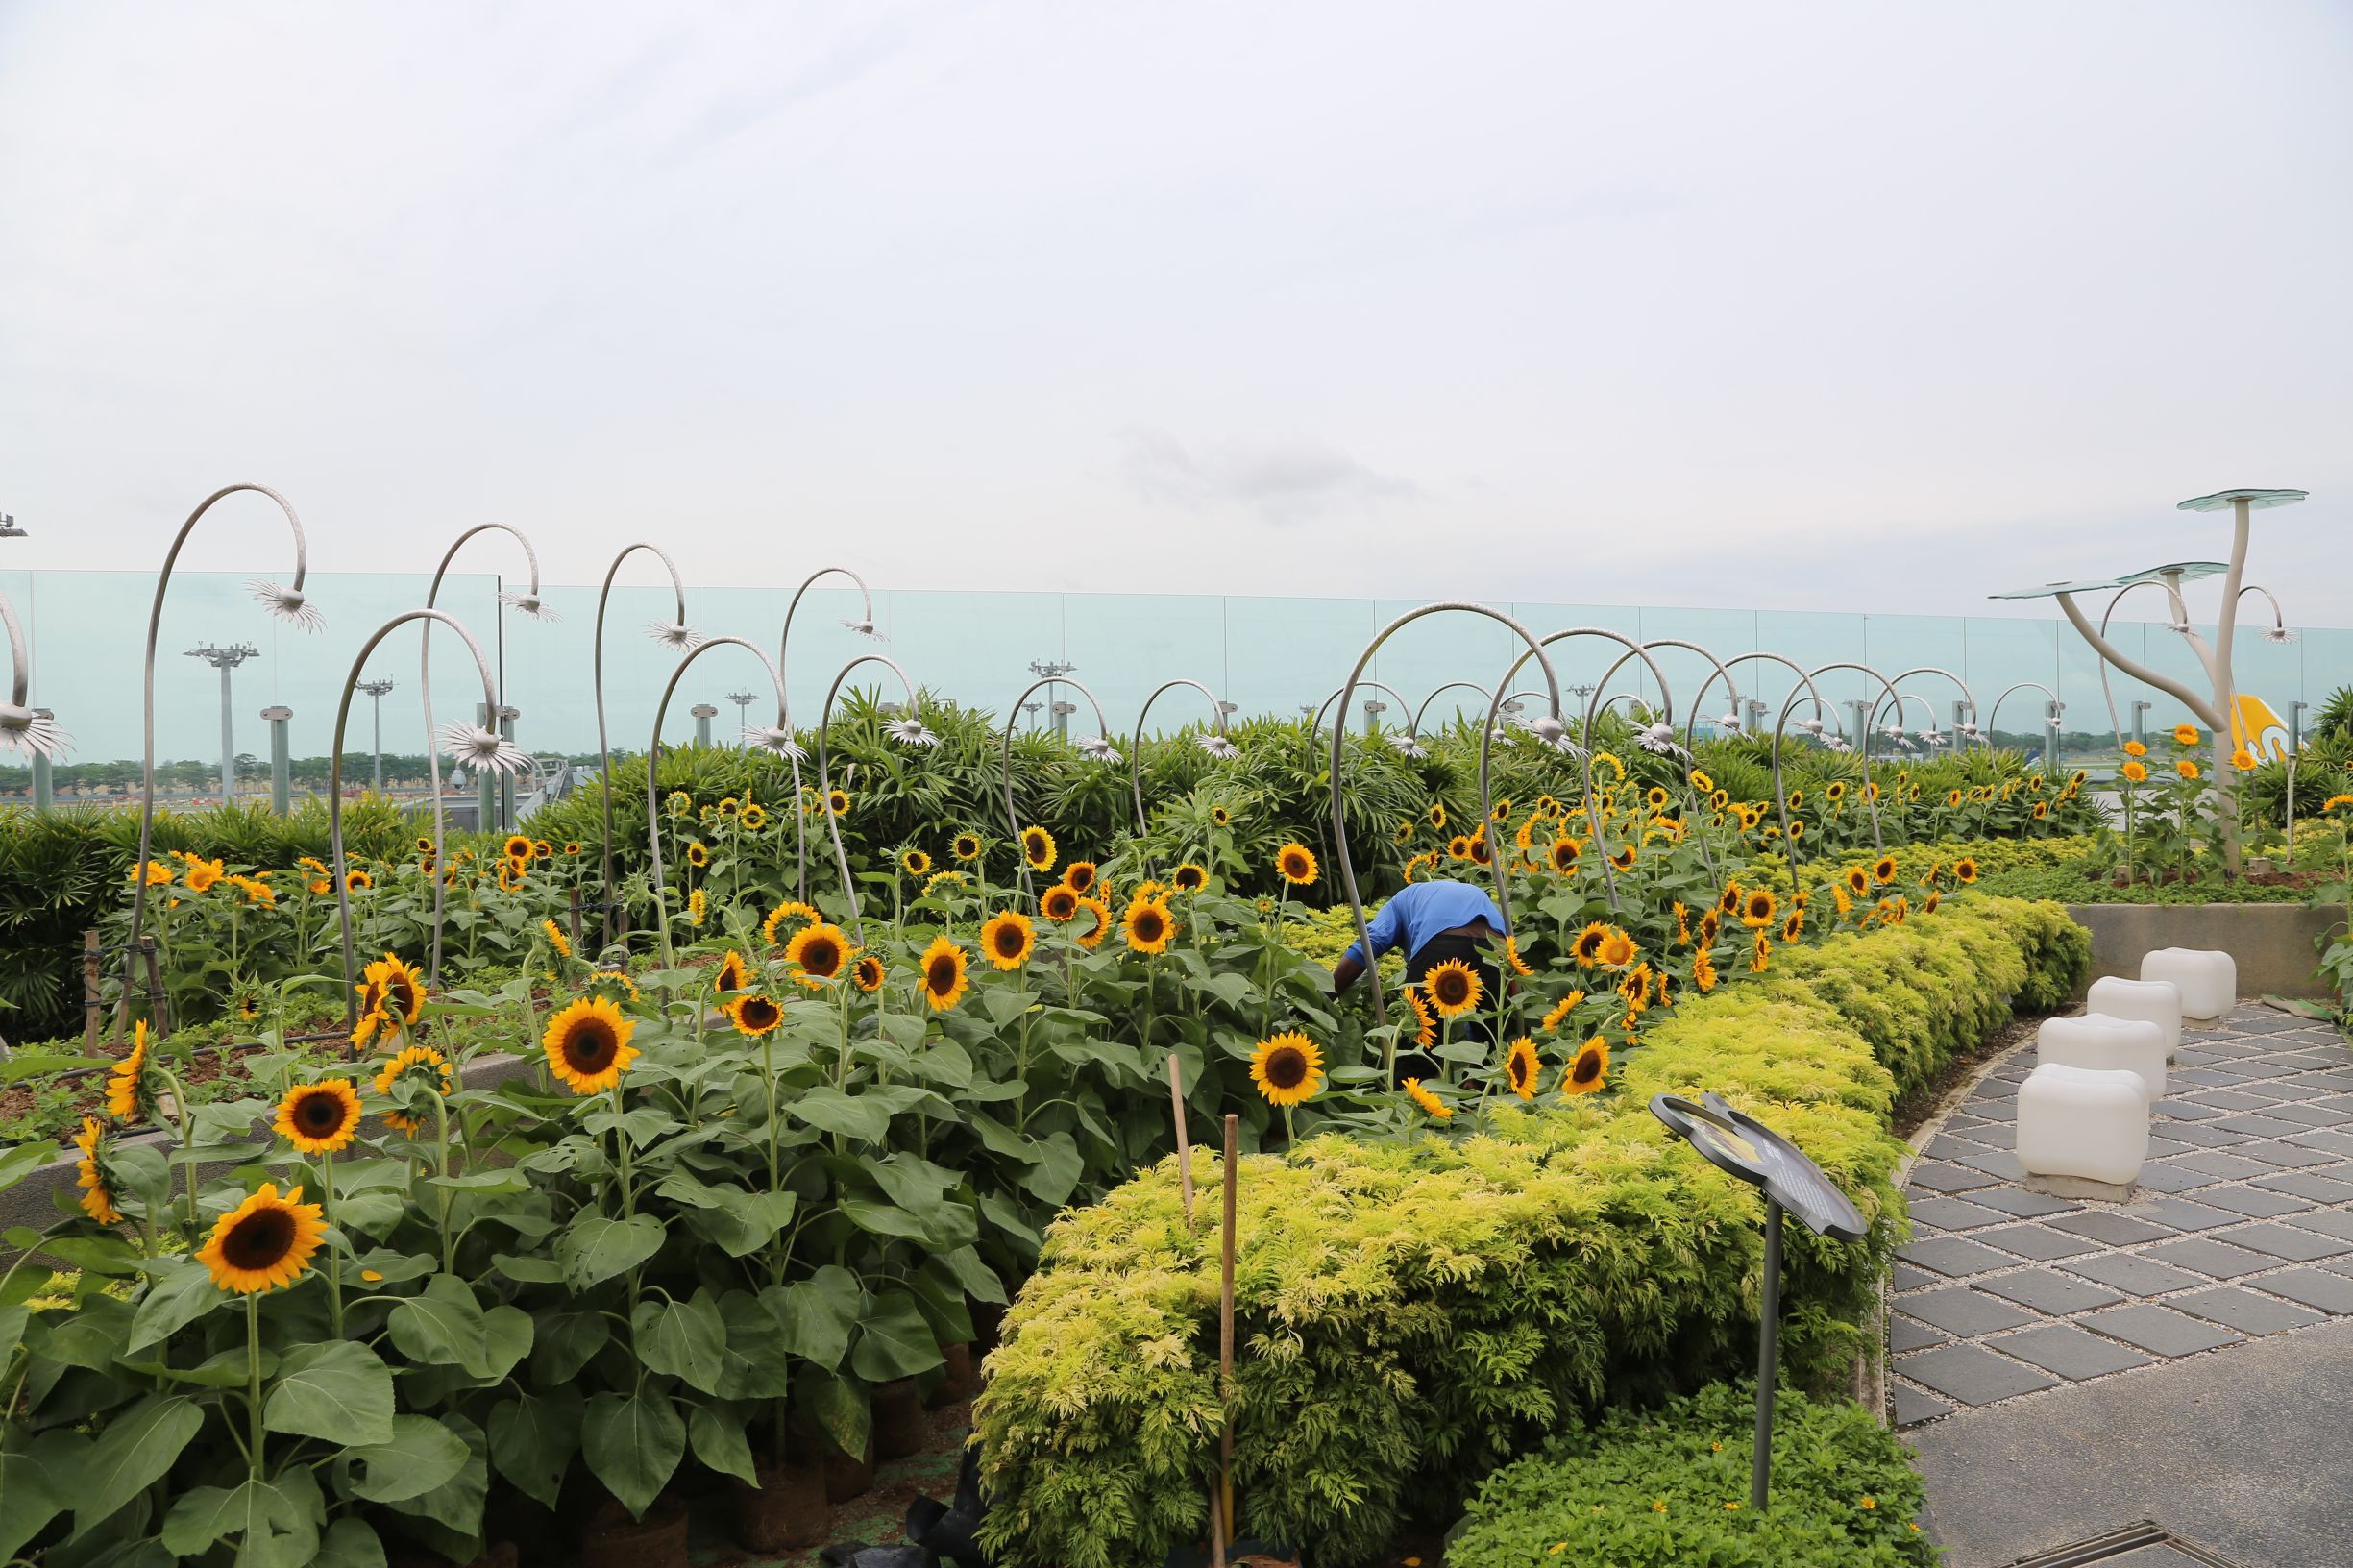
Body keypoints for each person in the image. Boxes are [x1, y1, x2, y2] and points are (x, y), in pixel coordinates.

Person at [1331, 876, 1507, 1083]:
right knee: (1493, 1048)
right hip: (1498, 949)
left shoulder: (1400, 900)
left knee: (1417, 1052)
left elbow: (1369, 944)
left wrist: (1326, 994)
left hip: (1442, 944)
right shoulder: (1470, 892)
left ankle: (1416, 1110)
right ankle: (1479, 1100)